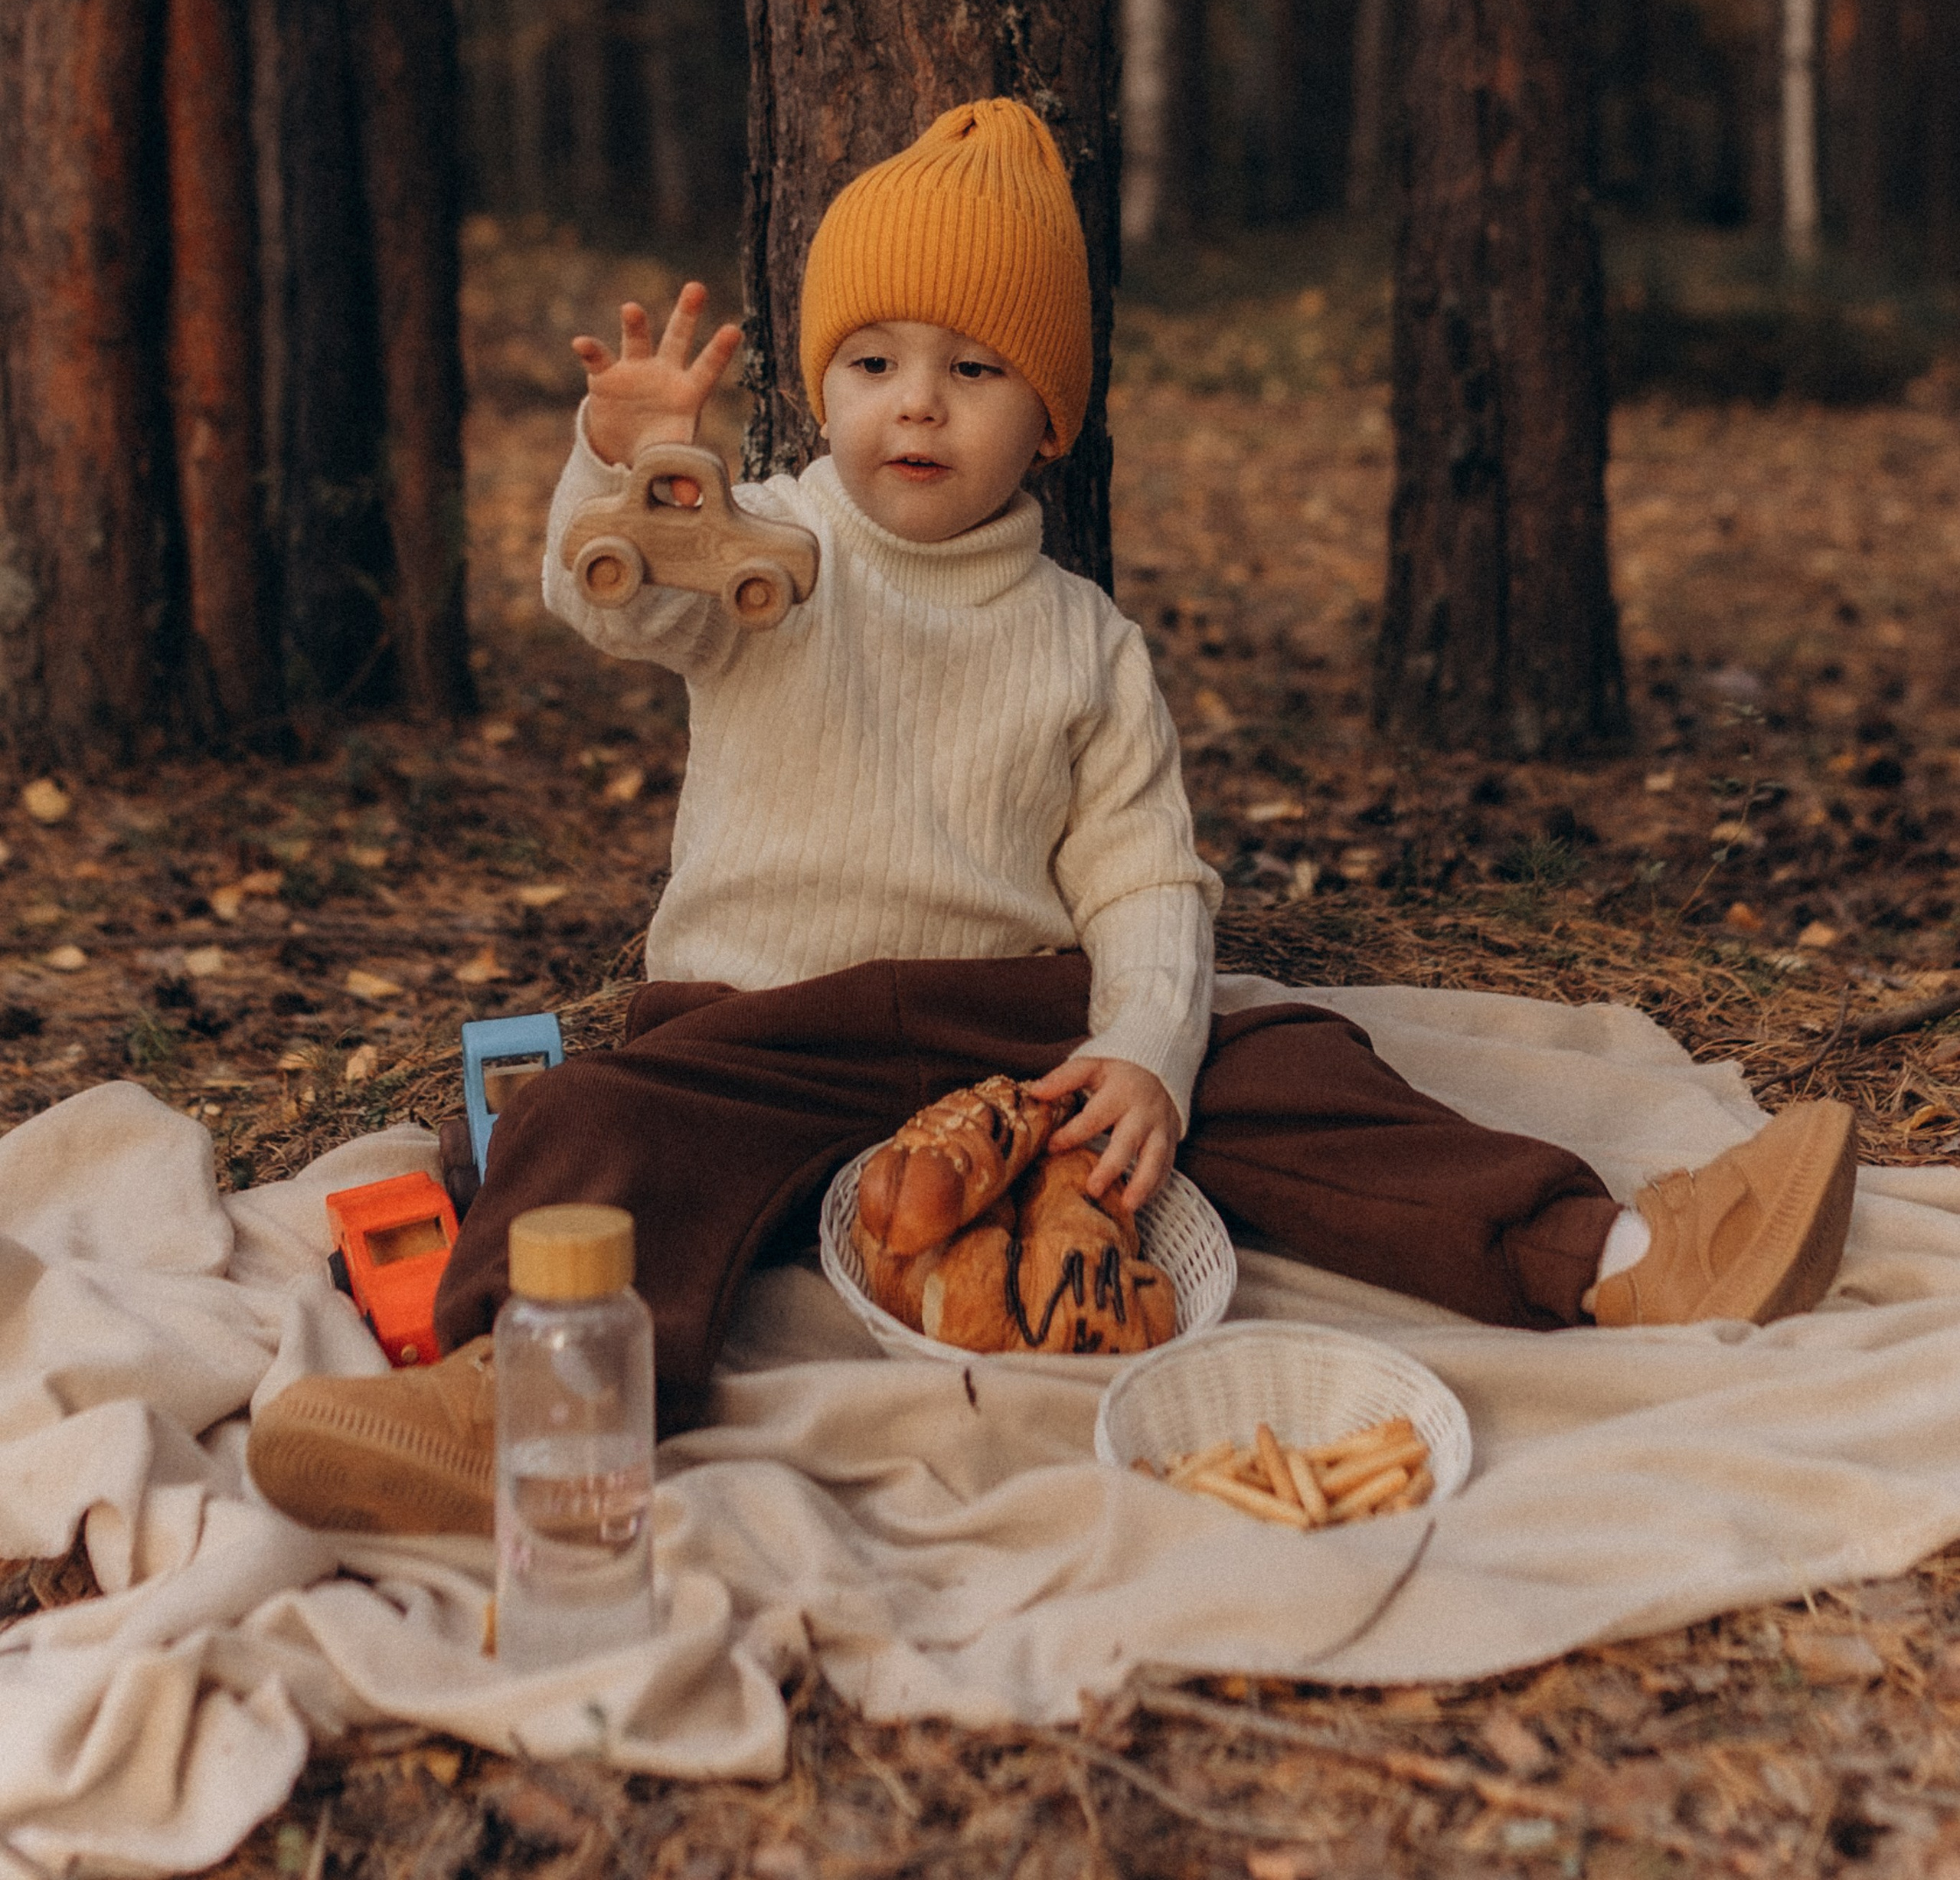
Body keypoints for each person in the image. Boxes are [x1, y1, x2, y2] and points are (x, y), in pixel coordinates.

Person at [249, 100, 1857, 1538]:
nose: (916, 409)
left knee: (1290, 1060)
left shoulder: (1083, 637)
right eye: (872, 365)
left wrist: (1144, 1053)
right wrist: (627, 462)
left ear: (1050, 416)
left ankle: (1612, 1256)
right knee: (591, 1122)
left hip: (1014, 1030)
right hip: (759, 1024)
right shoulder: (776, 548)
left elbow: (1147, 878)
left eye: (974, 370)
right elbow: (620, 604)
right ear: (821, 389)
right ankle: (510, 1406)